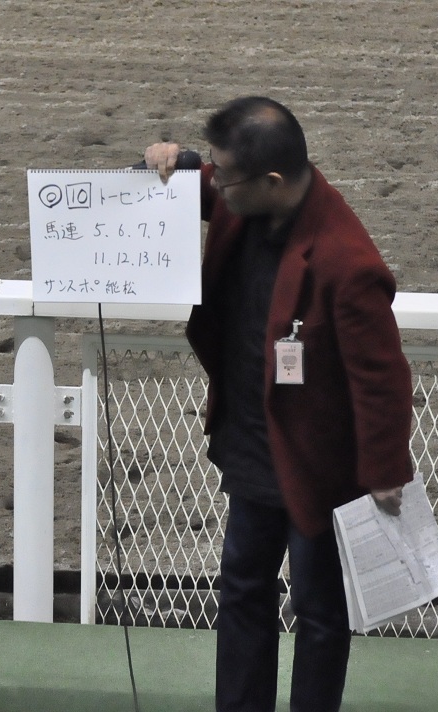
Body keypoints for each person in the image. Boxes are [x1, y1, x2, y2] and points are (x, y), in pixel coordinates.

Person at [143, 97, 414, 711]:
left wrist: (383, 471)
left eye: (223, 174)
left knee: (319, 610)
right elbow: (210, 186)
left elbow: (381, 377)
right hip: (249, 442)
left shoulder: (347, 261)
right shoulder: (251, 198)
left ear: (270, 181)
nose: (215, 185)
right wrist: (174, 161)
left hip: (319, 464)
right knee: (242, 590)